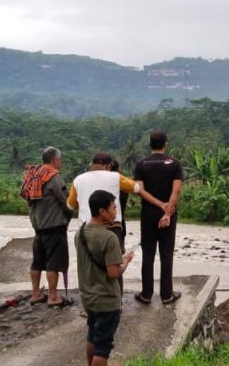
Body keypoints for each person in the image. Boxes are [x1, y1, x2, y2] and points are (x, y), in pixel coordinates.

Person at [77, 190, 134, 366]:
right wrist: (126, 261)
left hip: (88, 298)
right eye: (113, 208)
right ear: (102, 211)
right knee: (103, 349)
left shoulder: (80, 233)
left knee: (92, 337)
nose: (116, 212)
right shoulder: (109, 238)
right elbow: (113, 273)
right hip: (106, 301)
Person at [68, 152, 167, 251]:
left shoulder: (78, 180)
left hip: (86, 228)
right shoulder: (116, 177)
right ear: (108, 166)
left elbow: (70, 205)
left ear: (92, 164)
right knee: (114, 259)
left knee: (87, 259)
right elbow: (136, 188)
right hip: (112, 227)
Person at [133, 130, 183, 304]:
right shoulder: (175, 164)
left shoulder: (141, 164)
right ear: (165, 144)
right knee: (166, 254)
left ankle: (146, 294)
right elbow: (176, 191)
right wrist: (167, 212)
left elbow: (140, 191)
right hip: (169, 214)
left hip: (148, 214)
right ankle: (166, 295)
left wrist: (159, 205)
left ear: (150, 144)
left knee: (148, 254)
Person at [27, 147, 74, 308]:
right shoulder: (54, 177)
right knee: (53, 263)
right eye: (60, 161)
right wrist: (68, 217)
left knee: (37, 262)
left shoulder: (33, 175)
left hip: (38, 227)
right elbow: (66, 201)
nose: (60, 164)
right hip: (54, 227)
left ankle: (35, 293)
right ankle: (53, 296)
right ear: (54, 161)